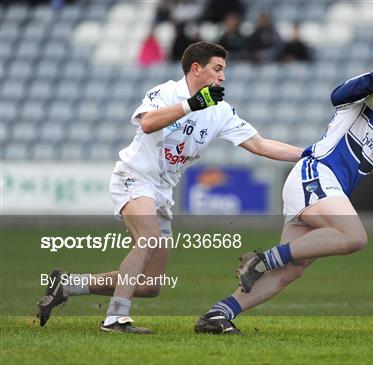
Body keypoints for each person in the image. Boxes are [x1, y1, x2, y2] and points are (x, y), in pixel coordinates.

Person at [37, 41, 303, 334]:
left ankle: (69, 284)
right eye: (218, 69)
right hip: (134, 176)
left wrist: (309, 154)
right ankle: (115, 319)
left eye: (224, 70)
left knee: (151, 285)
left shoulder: (220, 111)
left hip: (162, 191)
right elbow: (148, 123)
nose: (223, 77)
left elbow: (260, 145)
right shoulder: (166, 92)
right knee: (148, 237)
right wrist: (191, 104)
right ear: (196, 69)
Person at [194, 50, 373, 334]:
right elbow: (338, 95)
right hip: (315, 174)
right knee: (354, 236)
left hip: (325, 188)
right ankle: (263, 260)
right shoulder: (371, 95)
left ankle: (218, 314)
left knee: (292, 269)